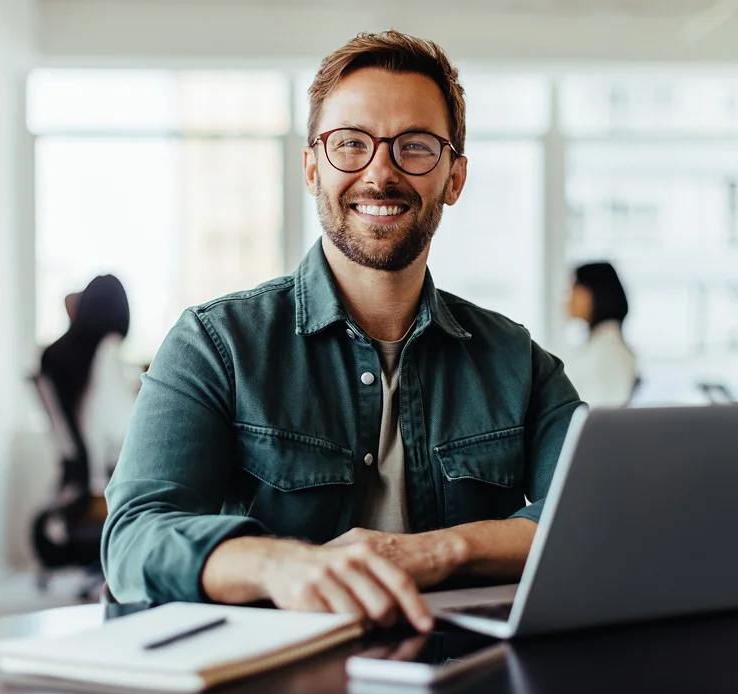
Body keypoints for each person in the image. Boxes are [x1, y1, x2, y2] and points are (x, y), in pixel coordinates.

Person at [102, 31, 582, 632]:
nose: (380, 173)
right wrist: (280, 564)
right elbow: (134, 538)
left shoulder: (520, 362)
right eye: (350, 144)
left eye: (414, 147)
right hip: (272, 693)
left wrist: (437, 549)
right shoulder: (215, 343)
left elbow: (593, 518)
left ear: (454, 178)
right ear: (311, 168)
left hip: (467, 681)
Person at [40, 274, 136, 496]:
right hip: (103, 486)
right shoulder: (107, 351)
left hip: (72, 482)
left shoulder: (56, 355)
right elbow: (121, 430)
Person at [562, 262, 638, 408]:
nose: (567, 298)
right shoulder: (600, 345)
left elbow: (597, 415)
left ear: (591, 294)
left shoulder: (609, 352)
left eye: (573, 289)